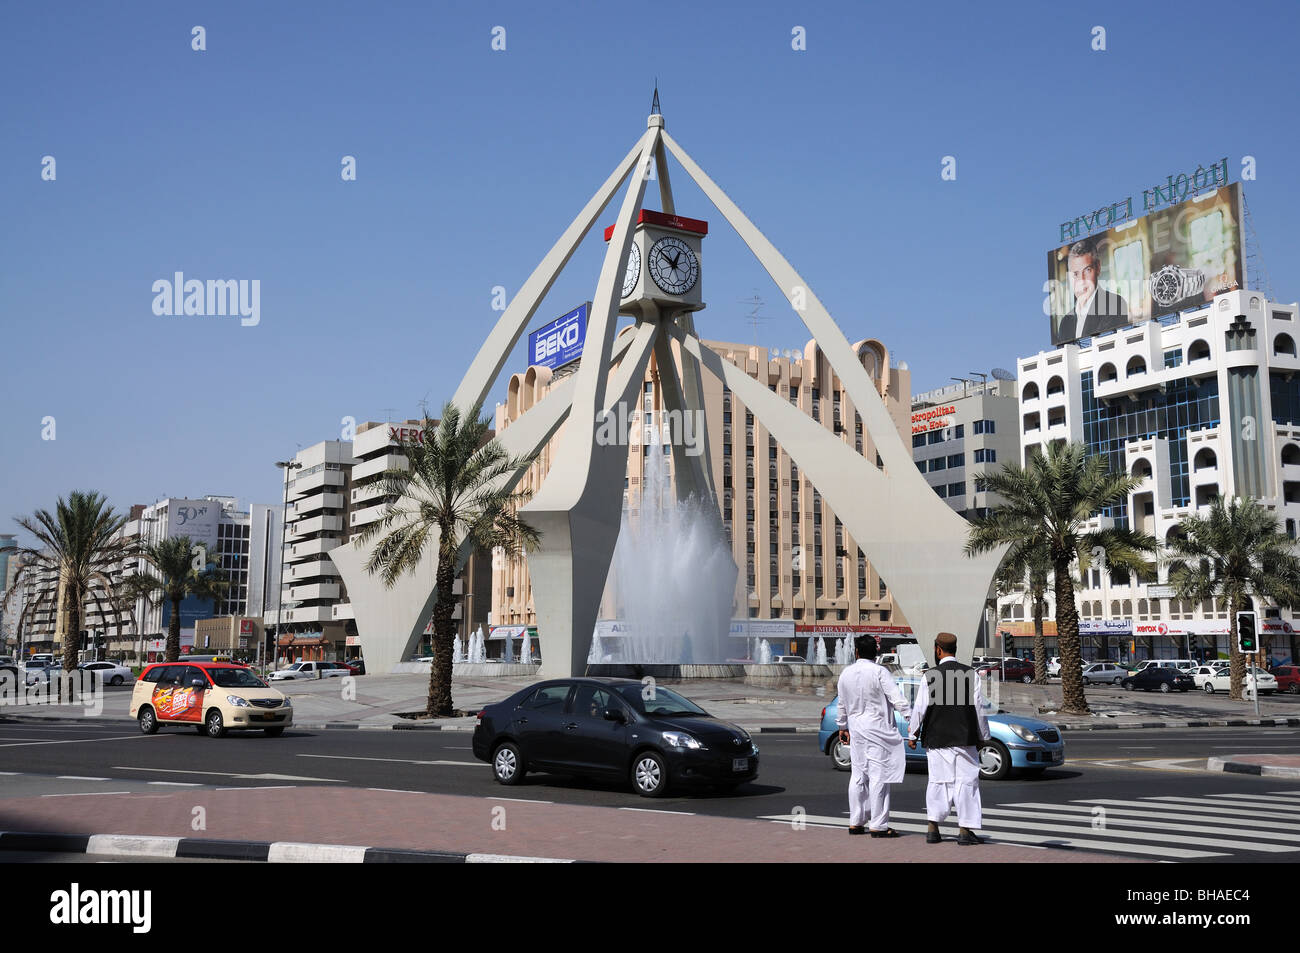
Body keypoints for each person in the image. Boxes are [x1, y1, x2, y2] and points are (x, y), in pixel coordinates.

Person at [907, 631, 990, 846]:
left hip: (936, 739)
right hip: (964, 738)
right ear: (956, 649)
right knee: (967, 783)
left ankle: (933, 829)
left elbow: (920, 708)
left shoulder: (930, 676)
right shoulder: (970, 675)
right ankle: (964, 830)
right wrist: (984, 736)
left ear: (937, 649)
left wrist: (912, 733)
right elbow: (979, 709)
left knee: (938, 782)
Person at [836, 634, 912, 837]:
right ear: (876, 653)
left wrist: (842, 726)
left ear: (856, 652)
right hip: (878, 729)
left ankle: (856, 821)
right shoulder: (880, 672)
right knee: (880, 776)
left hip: (856, 729)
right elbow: (897, 699)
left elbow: (841, 704)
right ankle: (878, 824)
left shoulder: (846, 673)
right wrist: (912, 720)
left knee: (859, 775)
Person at [1054, 236, 1129, 343]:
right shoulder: (1065, 323)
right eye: (1075, 274)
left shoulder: (1115, 304)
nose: (1082, 280)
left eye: (1087, 270)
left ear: (1098, 268)